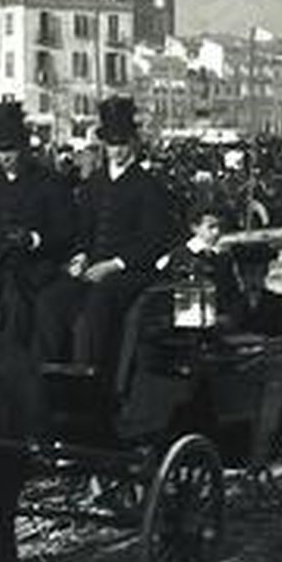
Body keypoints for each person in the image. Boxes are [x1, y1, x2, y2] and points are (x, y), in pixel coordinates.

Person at [32, 95, 177, 372]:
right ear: (104, 145)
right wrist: (81, 257)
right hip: (92, 268)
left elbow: (154, 240)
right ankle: (48, 377)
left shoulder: (148, 186)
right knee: (50, 301)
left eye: (123, 143)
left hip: (132, 272)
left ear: (133, 143)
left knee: (96, 307)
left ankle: (91, 383)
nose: (118, 150)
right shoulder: (93, 184)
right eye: (112, 144)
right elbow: (82, 230)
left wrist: (113, 265)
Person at [0, 99, 74, 346]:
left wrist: (33, 239)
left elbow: (66, 232)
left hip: (37, 266)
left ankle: (12, 359)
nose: (5, 158)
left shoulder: (48, 182)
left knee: (14, 302)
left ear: (23, 149)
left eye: (10, 151)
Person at [220, 240, 282, 338]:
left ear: (265, 272)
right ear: (239, 274)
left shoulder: (279, 304)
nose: (253, 280)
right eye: (247, 273)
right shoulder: (226, 304)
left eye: (257, 273)